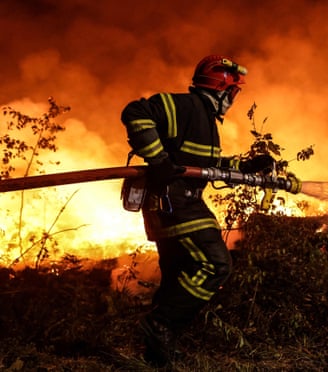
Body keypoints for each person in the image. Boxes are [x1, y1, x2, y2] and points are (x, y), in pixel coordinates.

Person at [120, 55, 273, 367]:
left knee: (177, 275)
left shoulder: (202, 120)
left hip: (171, 205)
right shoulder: (184, 106)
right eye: (233, 93)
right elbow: (134, 113)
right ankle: (161, 323)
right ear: (221, 90)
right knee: (217, 264)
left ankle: (156, 354)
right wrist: (159, 160)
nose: (233, 100)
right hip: (177, 205)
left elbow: (204, 168)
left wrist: (244, 165)